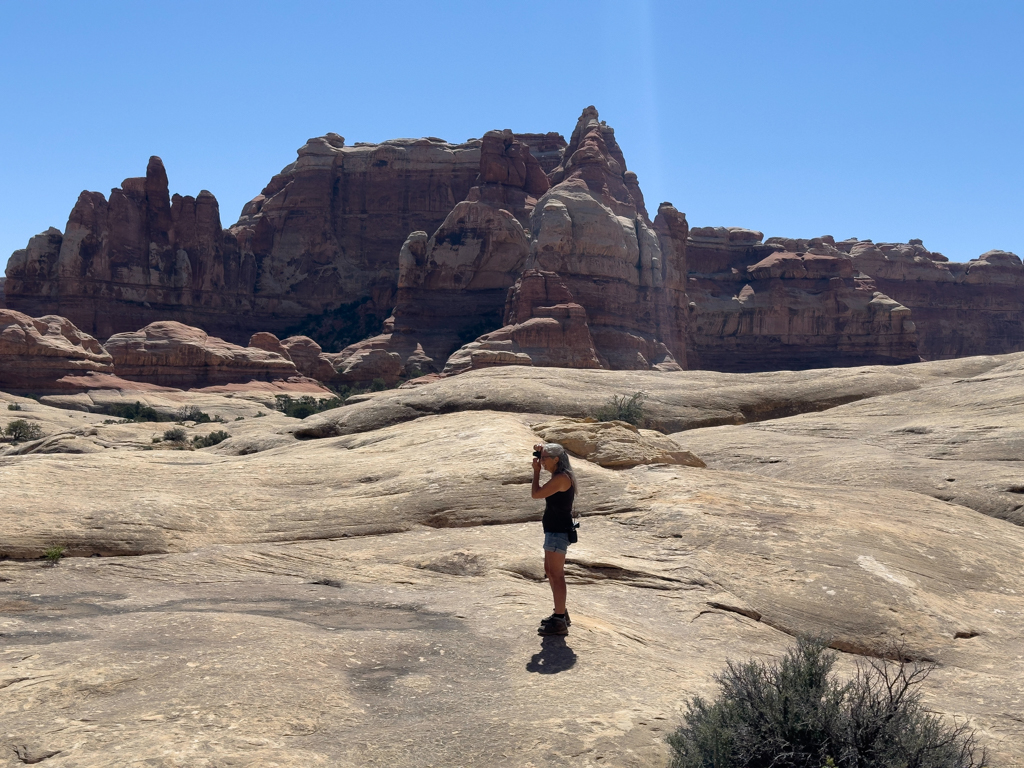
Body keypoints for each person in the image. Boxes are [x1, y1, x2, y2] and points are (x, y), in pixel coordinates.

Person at [531, 442, 577, 636]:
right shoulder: (559, 474)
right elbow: (549, 455)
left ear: (556, 459)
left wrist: (536, 472)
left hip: (558, 531)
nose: (542, 462)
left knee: (556, 575)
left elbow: (536, 494)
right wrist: (542, 451)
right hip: (553, 529)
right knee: (550, 571)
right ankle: (560, 611)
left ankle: (559, 620)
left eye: (545, 459)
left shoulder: (561, 478)